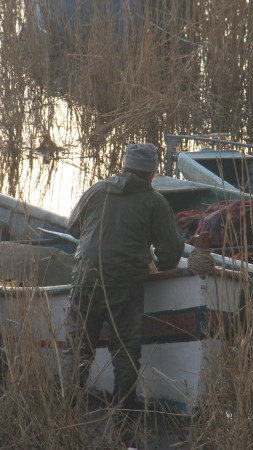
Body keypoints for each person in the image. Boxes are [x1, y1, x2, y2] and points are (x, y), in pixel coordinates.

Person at [62, 142, 185, 419]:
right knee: (125, 354)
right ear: (151, 174)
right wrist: (158, 265)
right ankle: (124, 418)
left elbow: (72, 226)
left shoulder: (96, 190)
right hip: (124, 286)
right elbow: (171, 253)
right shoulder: (155, 202)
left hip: (85, 278)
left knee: (78, 350)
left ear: (125, 167)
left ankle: (67, 414)